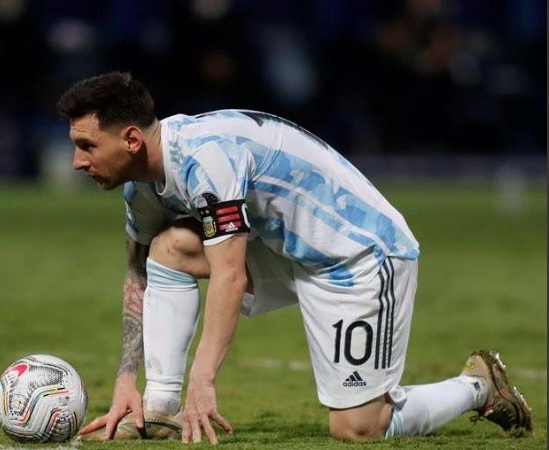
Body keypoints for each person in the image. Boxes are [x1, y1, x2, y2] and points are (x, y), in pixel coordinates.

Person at [55, 71, 533, 443]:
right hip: (290, 252)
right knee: (170, 248)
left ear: (132, 139)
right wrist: (125, 381)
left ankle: (479, 386)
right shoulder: (143, 187)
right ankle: (159, 409)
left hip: (358, 256)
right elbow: (139, 270)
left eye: (86, 146)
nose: (77, 162)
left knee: (359, 428)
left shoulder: (206, 160)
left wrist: (204, 381)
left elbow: (229, 276)